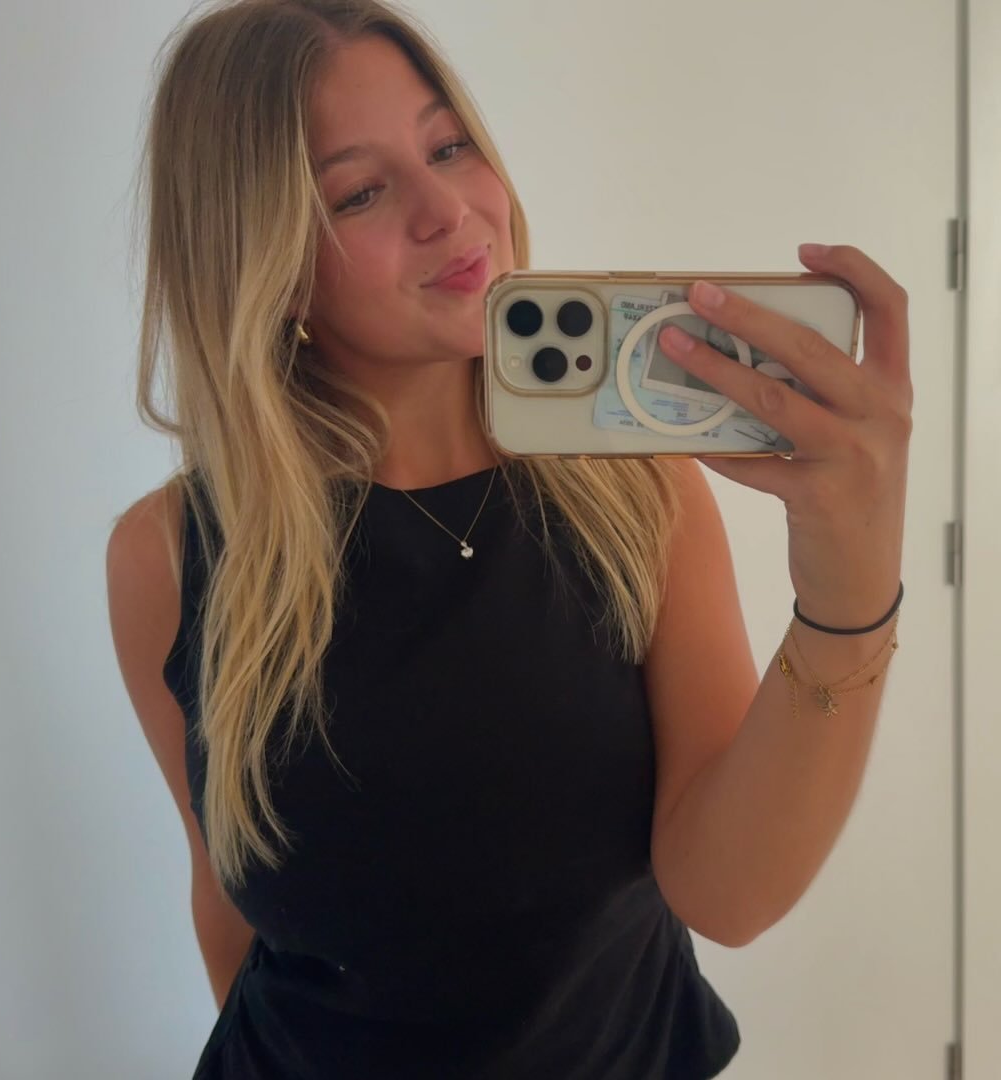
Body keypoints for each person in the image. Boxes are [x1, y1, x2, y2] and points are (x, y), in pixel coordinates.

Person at [105, 1, 912, 1076]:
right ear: (265, 260)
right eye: (361, 191)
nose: (450, 211)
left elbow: (728, 895)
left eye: (448, 147)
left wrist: (850, 583)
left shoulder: (637, 490)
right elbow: (226, 888)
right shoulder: (169, 556)